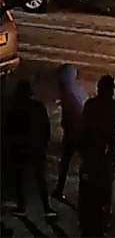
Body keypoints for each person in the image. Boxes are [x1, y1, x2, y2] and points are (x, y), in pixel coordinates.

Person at [79, 75, 115, 236]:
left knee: (87, 189)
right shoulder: (112, 106)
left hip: (90, 153)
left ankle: (86, 221)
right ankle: (102, 222)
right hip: (106, 154)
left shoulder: (90, 104)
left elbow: (83, 126)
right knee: (105, 191)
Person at [5, 80, 57, 218]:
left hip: (20, 148)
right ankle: (47, 208)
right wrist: (44, 144)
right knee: (40, 178)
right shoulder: (38, 107)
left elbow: (9, 130)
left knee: (20, 178)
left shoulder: (14, 108)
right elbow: (46, 127)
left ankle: (21, 207)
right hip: (36, 147)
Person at [52, 64, 88, 200]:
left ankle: (62, 190)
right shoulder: (77, 91)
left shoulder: (69, 94)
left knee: (67, 163)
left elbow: (69, 116)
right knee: (79, 163)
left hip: (74, 133)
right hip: (79, 132)